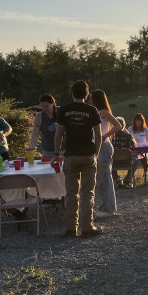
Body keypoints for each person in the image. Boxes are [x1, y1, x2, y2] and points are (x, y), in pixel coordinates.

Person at [54, 80, 103, 238]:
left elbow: (59, 133)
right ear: (87, 94)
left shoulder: (64, 110)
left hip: (71, 155)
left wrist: (56, 153)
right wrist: (96, 152)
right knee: (87, 192)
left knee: (71, 193)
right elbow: (99, 135)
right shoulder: (92, 110)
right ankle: (87, 227)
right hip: (87, 154)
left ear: (72, 93)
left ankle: (71, 228)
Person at [88, 89, 123, 218]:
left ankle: (108, 209)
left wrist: (104, 136)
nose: (90, 100)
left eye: (91, 98)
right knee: (100, 178)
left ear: (97, 99)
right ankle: (105, 207)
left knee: (104, 179)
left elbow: (118, 125)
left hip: (104, 147)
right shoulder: (95, 112)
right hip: (97, 147)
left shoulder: (103, 112)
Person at [28, 94, 59, 158]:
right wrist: (32, 146)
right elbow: (35, 133)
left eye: (47, 106)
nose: (44, 109)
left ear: (53, 104)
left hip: (62, 151)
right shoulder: (39, 116)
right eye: (42, 107)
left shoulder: (61, 112)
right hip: (47, 152)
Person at [124, 113, 148, 187]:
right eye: (136, 121)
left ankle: (145, 173)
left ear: (142, 121)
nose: (138, 122)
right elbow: (127, 138)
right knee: (134, 160)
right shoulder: (131, 128)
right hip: (132, 150)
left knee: (147, 158)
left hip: (143, 150)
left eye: (139, 121)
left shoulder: (146, 130)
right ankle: (128, 179)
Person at [111, 116, 136, 188]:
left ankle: (116, 178)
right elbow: (134, 145)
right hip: (126, 161)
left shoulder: (111, 136)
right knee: (135, 161)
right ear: (124, 125)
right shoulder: (128, 136)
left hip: (114, 162)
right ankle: (127, 180)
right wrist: (127, 132)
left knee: (109, 159)